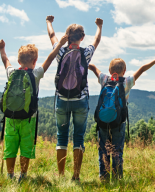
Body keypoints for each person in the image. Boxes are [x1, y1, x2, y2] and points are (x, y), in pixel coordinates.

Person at [0, 35, 68, 181]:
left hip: (10, 117)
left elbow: (5, 60)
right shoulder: (36, 74)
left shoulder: (12, 73)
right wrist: (60, 43)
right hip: (29, 119)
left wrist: (2, 48)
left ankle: (10, 176)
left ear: (18, 61)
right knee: (26, 147)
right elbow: (49, 58)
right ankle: (23, 176)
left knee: (10, 146)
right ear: (35, 62)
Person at [89, 53, 155, 181]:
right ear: (125, 70)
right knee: (117, 150)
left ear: (110, 70)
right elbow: (142, 69)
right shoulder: (127, 82)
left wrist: (80, 59)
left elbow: (94, 67)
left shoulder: (104, 79)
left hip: (103, 121)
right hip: (118, 123)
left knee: (103, 151)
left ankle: (104, 178)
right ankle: (117, 179)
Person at [46, 15, 103, 181]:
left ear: (66, 36)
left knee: (61, 136)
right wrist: (99, 25)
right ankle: (76, 176)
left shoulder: (60, 51)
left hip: (62, 100)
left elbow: (51, 36)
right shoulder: (86, 53)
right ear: (82, 37)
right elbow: (97, 40)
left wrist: (49, 22)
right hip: (80, 99)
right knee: (78, 137)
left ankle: (61, 175)